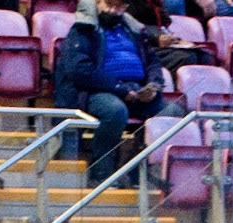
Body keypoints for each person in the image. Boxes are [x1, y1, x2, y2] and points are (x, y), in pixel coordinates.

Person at [56, 0, 184, 182]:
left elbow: (153, 61)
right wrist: (120, 88)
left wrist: (154, 86)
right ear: (97, 3)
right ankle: (101, 173)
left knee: (172, 112)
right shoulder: (82, 29)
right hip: (96, 91)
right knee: (115, 111)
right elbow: (79, 70)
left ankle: (135, 169)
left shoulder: (133, 30)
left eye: (120, 7)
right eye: (109, 5)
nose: (114, 11)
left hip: (136, 89)